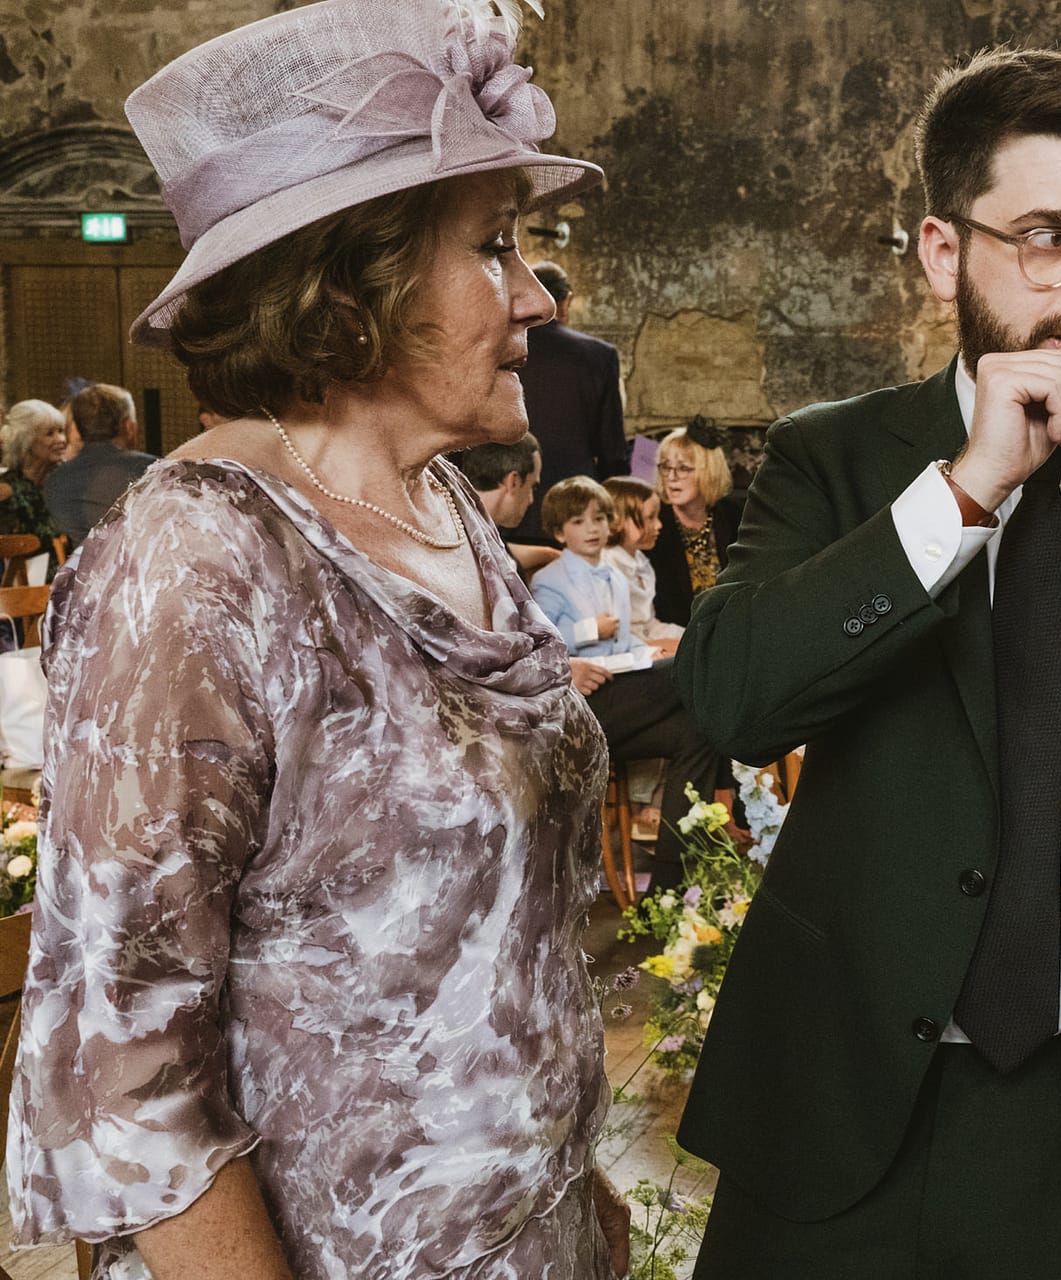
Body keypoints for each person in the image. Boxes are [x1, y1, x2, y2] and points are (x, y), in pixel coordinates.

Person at [4, 2, 631, 1277]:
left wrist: (582, 1191)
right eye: (496, 247)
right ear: (356, 285)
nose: (536, 292)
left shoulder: (442, 496)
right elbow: (123, 1074)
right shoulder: (199, 557)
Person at [672, 47, 1061, 1280]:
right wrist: (966, 494)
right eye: (1046, 236)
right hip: (844, 1113)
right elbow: (736, 697)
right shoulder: (834, 460)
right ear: (940, 251)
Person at [530, 475, 723, 889]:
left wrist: (646, 649)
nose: (594, 528)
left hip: (624, 690)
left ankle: (671, 888)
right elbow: (543, 648)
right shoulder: (549, 580)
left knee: (699, 733)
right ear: (559, 531)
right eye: (580, 522)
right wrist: (587, 631)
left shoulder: (616, 577)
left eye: (600, 518)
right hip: (583, 704)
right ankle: (723, 671)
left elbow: (624, 641)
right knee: (692, 666)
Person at [507, 259, 629, 546]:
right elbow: (611, 448)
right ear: (565, 301)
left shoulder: (500, 349)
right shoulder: (599, 355)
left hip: (508, 501)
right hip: (576, 510)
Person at [647, 419, 745, 626]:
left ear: (707, 471)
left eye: (683, 468)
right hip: (678, 634)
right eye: (666, 467)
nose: (672, 477)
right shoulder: (653, 524)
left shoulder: (736, 514)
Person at [44, 382, 158, 546]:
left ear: (77, 428)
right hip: (143, 569)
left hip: (82, 570)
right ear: (129, 426)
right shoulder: (152, 470)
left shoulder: (55, 481)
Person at [454, 433, 562, 577]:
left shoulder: (459, 525)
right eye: (532, 487)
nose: (531, 499)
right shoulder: (461, 544)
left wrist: (550, 554)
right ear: (514, 481)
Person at [602, 475, 683, 653]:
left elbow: (649, 624)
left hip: (645, 642)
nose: (659, 525)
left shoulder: (639, 561)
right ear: (617, 521)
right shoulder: (606, 566)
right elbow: (612, 637)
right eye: (650, 518)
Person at [0, 398, 67, 553]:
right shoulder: (6, 491)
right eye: (50, 433)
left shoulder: (65, 481)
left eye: (61, 431)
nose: (61, 440)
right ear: (26, 441)